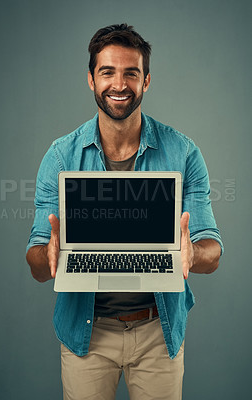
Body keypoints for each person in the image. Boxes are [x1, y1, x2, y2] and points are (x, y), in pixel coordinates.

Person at [26, 23, 223, 400]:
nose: (120, 84)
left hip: (157, 332)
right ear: (90, 80)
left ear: (146, 80)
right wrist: (47, 256)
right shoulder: (60, 156)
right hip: (86, 332)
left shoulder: (183, 153)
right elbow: (36, 259)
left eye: (131, 73)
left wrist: (193, 253)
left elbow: (212, 251)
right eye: (107, 72)